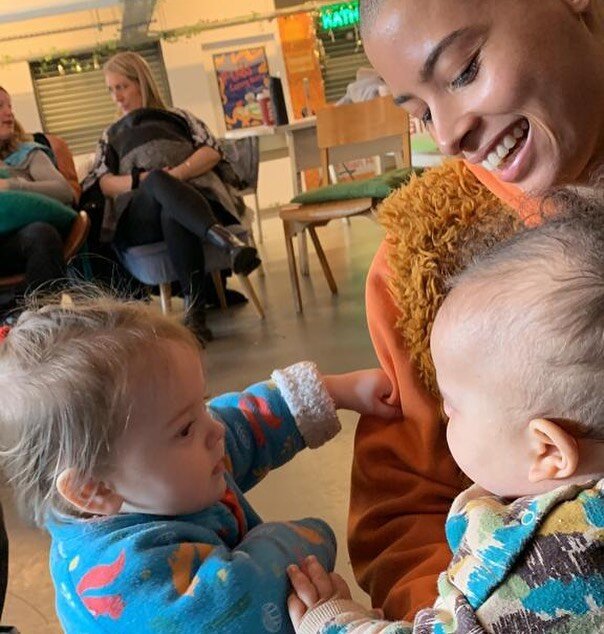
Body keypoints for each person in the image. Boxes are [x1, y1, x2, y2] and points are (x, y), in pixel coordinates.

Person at [348, 0, 604, 619]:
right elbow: (402, 510)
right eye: (419, 110)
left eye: (464, 72)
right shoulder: (419, 263)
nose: (446, 135)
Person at [287, 190, 604, 633]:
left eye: (452, 407)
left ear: (547, 450)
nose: (441, 414)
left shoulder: (532, 572)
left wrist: (332, 621)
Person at [0, 294, 400, 633]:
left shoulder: (148, 479)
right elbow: (242, 598)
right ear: (94, 489)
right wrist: (308, 537)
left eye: (202, 404)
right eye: (185, 428)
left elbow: (242, 424)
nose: (215, 430)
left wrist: (335, 391)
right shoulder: (125, 577)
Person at [82, 51, 261, 343]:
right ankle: (226, 242)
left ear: (140, 82)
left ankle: (194, 315)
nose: (116, 97)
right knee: (156, 182)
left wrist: (174, 176)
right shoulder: (110, 135)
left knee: (172, 212)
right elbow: (103, 183)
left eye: (122, 87)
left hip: (189, 201)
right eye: (111, 89)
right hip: (140, 214)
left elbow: (212, 151)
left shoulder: (180, 117)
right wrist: (145, 179)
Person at [0, 86, 75, 306]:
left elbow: (64, 191)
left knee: (41, 233)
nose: (9, 112)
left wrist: (11, 186)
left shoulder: (28, 153)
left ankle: (40, 319)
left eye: (10, 105)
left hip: (21, 244)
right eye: (0, 106)